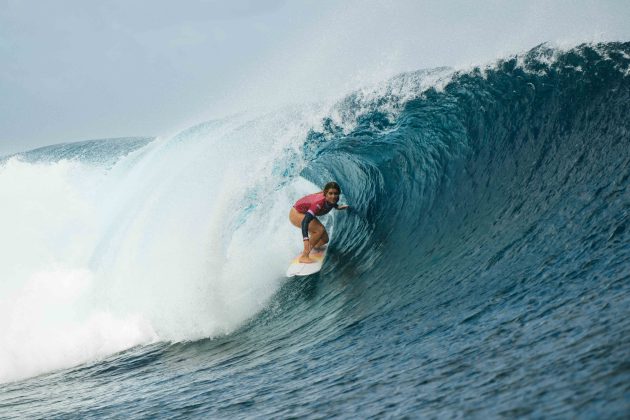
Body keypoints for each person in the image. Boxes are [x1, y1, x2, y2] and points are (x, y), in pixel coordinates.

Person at [289, 181, 348, 263]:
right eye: (330, 193)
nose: (333, 196)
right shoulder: (318, 204)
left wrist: (338, 207)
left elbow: (332, 202)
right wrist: (305, 240)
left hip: (305, 211)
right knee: (319, 230)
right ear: (325, 194)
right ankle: (304, 256)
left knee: (324, 240)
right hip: (296, 213)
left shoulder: (332, 199)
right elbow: (305, 222)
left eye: (336, 193)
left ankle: (311, 246)